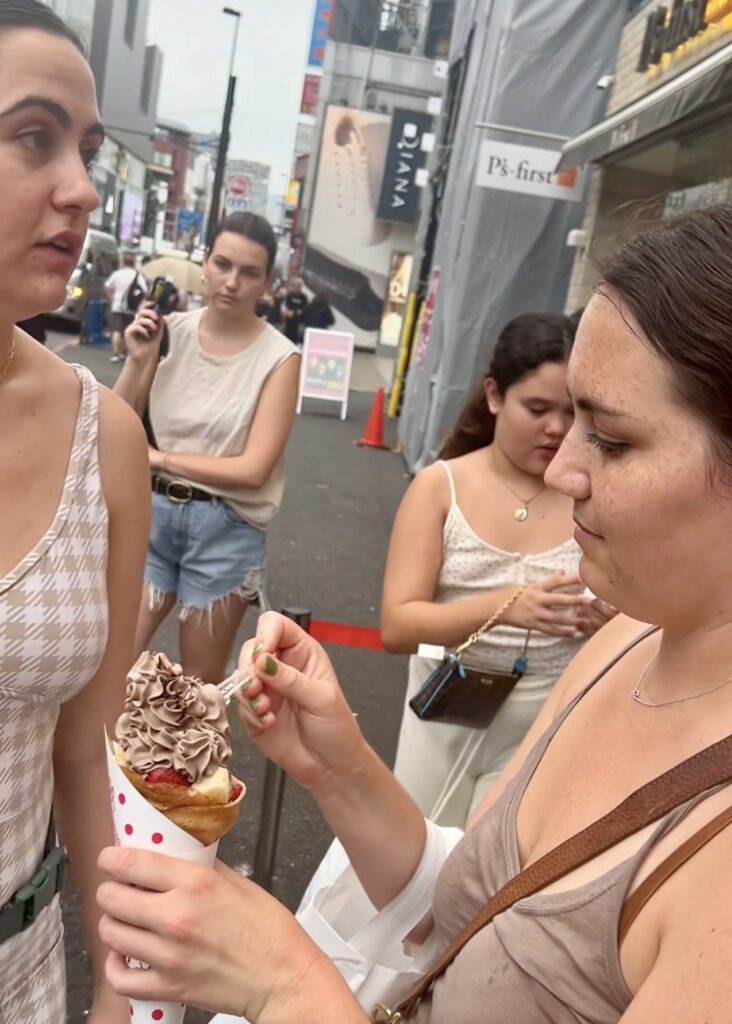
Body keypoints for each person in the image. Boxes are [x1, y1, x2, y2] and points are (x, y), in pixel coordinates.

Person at [99, 206, 732, 1023]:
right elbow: (484, 906)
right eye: (564, 416)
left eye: (611, 440)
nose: (566, 465)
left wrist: (287, 985)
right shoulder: (627, 636)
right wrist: (340, 768)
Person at [0, 3, 149, 1021]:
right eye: (31, 136)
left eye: (89, 150)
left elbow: (85, 752)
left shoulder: (108, 441)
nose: (84, 189)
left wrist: (123, 994)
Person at [382, 314, 610, 826]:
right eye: (537, 408)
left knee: (495, 872)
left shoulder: (594, 495)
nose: (557, 428)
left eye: (573, 413)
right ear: (494, 396)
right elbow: (397, 627)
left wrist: (610, 617)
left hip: (552, 710)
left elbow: (636, 611)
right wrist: (509, 606)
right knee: (415, 862)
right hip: (446, 700)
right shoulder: (440, 487)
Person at [115, 212, 300, 684]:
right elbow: (116, 424)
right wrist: (138, 359)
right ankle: (102, 761)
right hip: (149, 515)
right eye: (223, 264)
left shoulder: (279, 358)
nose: (232, 282)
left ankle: (183, 760)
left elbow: (254, 470)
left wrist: (158, 460)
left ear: (267, 282)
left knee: (198, 687)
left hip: (226, 528)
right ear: (205, 263)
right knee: (107, 662)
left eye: (249, 272)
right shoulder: (167, 330)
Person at [105, 251, 144, 362]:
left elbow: (108, 287)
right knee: (127, 331)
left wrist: (112, 298)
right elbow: (144, 290)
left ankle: (116, 353)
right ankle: (123, 353)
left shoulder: (117, 274)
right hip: (131, 308)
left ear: (123, 261)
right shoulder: (137, 275)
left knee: (117, 331)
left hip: (117, 306)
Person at [282, 275, 308, 344]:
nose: (297, 289)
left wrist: (301, 312)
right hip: (290, 317)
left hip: (298, 319)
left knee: (296, 335)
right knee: (287, 333)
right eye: (296, 287)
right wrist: (286, 312)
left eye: (299, 287)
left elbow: (305, 308)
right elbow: (286, 305)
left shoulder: (303, 297)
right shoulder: (290, 295)